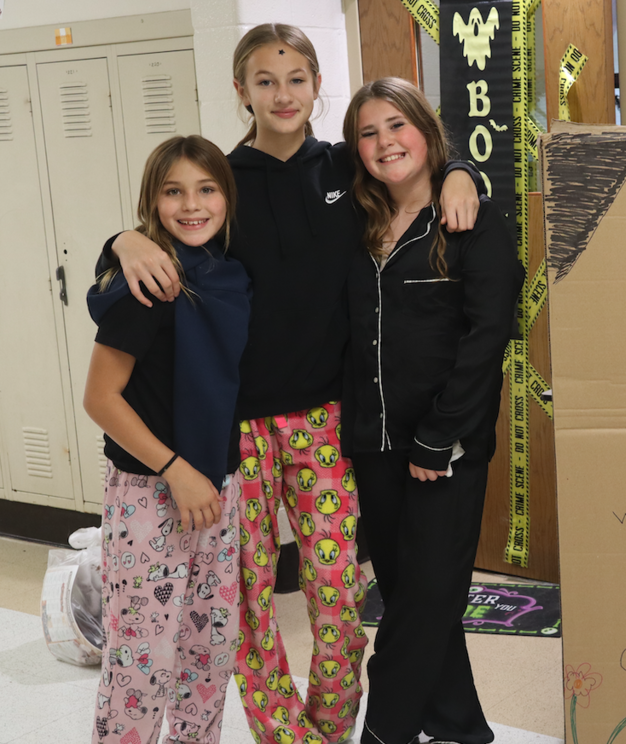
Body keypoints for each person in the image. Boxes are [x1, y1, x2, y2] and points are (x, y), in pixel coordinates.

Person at [98, 23, 483, 744]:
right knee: (245, 610)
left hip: (326, 422)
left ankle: (329, 733)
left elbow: (418, 165)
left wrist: (464, 171)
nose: (283, 94)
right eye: (265, 81)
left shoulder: (346, 167)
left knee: (338, 603)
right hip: (233, 433)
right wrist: (120, 239)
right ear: (240, 90)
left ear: (315, 86)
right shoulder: (224, 181)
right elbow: (164, 223)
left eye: (296, 79)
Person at [341, 77, 524, 744]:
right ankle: (461, 730)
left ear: (425, 130)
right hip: (373, 445)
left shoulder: (470, 223)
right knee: (416, 600)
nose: (384, 142)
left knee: (424, 603)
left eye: (397, 125)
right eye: (368, 131)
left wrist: (439, 435)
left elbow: (487, 341)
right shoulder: (353, 222)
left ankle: (383, 732)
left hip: (442, 449)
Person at [85, 135, 250, 744]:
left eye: (206, 189)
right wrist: (176, 469)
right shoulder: (145, 282)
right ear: (152, 202)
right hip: (149, 491)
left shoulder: (231, 274)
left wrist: (205, 475)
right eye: (173, 191)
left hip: (217, 487)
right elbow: (99, 399)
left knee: (208, 655)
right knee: (143, 660)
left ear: (228, 197)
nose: (192, 204)